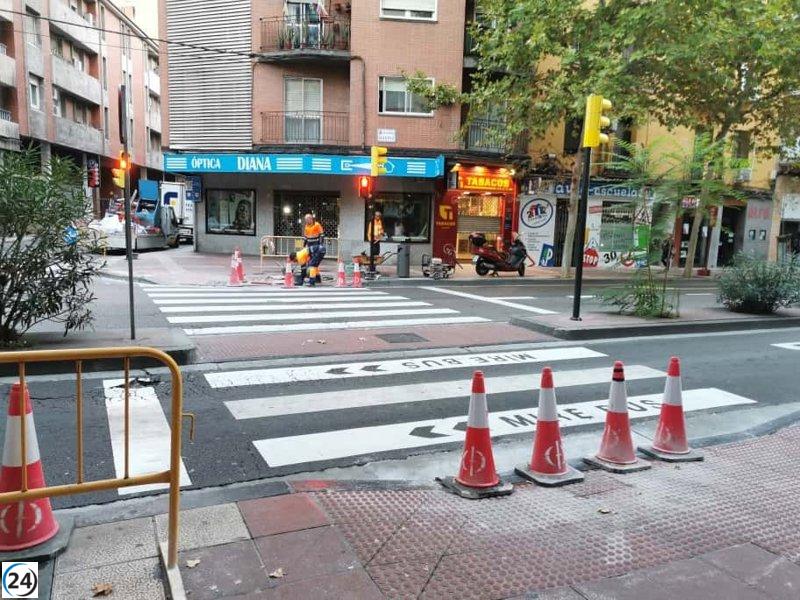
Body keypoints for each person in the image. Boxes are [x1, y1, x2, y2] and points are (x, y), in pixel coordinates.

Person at [302, 213, 326, 286]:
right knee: (314, 264)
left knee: (313, 264)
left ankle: (314, 279)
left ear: (311, 219)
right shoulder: (306, 226)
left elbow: (322, 235)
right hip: (310, 246)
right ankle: (317, 277)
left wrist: (321, 245)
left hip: (316, 246)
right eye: (305, 220)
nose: (306, 221)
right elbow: (306, 237)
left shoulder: (317, 225)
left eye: (307, 219)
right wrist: (304, 245)